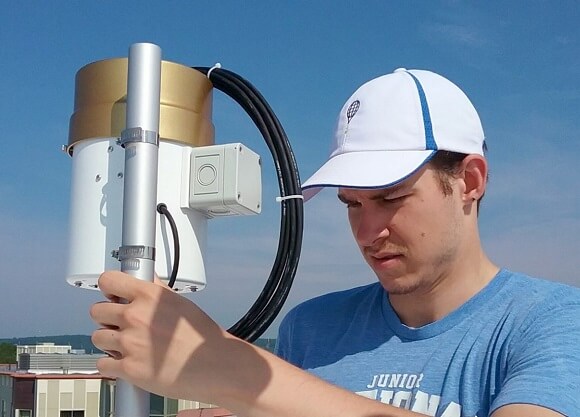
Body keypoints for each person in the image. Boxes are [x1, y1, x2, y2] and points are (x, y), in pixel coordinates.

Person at [90, 68, 580, 417]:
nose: (368, 233)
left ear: (470, 181)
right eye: (352, 204)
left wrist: (233, 369)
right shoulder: (313, 328)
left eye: (391, 197)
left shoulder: (554, 323)